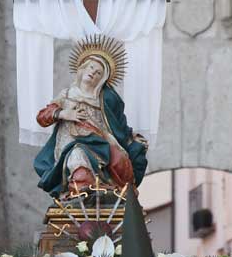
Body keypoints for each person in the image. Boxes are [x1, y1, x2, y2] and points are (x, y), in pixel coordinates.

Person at [33, 34, 148, 197]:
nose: (93, 73)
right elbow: (42, 118)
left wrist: (132, 139)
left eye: (99, 73)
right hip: (72, 142)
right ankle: (82, 195)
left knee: (119, 161)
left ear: (102, 80)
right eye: (91, 68)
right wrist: (64, 113)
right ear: (82, 68)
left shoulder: (103, 100)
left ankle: (107, 192)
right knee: (78, 157)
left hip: (100, 142)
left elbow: (118, 126)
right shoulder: (67, 95)